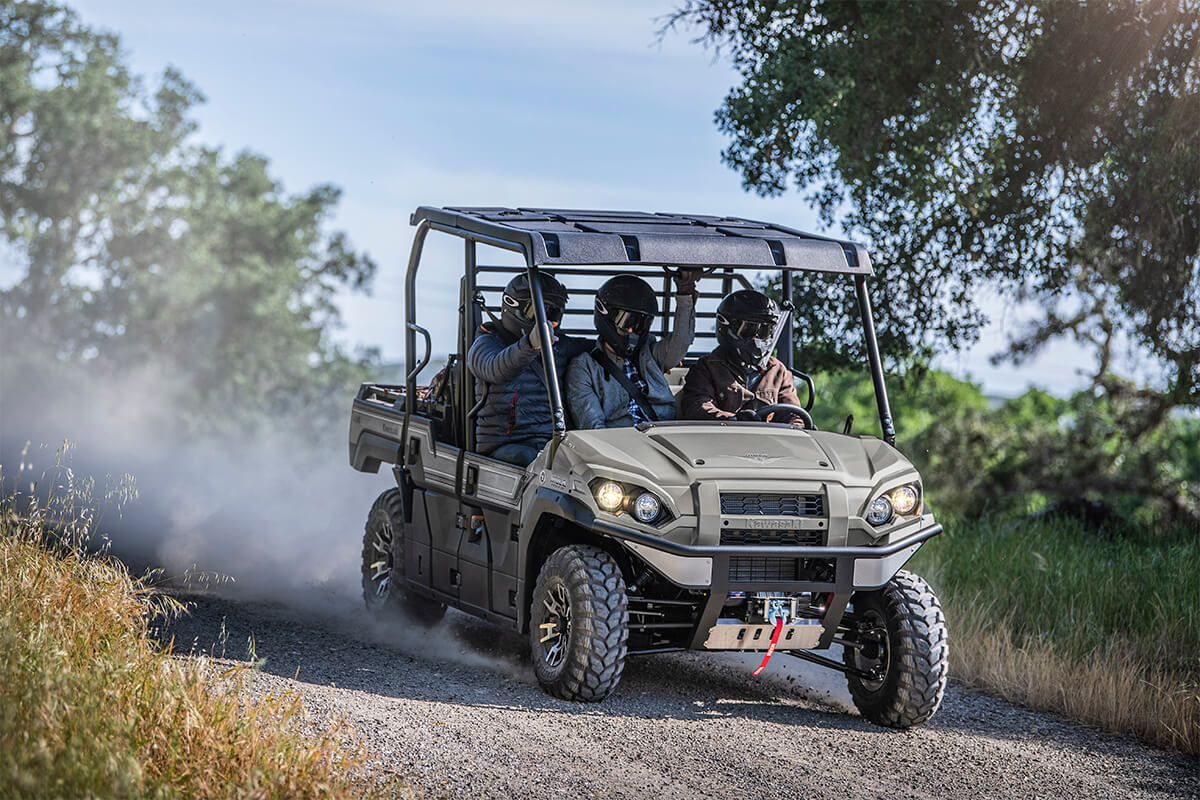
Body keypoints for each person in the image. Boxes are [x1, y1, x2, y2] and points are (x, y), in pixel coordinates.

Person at [468, 271, 589, 466]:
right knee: (536, 462)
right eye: (537, 312)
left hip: (553, 441)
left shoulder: (560, 345)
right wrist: (530, 345)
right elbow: (496, 368)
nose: (547, 322)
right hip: (506, 444)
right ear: (514, 306)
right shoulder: (487, 342)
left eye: (553, 314)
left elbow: (599, 351)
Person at [567, 270, 699, 429]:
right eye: (626, 321)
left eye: (639, 324)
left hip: (663, 432)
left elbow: (681, 341)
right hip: (620, 439)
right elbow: (592, 426)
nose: (632, 330)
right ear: (607, 316)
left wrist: (685, 293)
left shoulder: (650, 354)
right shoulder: (584, 367)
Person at [679, 289, 805, 425]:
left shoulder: (778, 371)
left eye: (764, 331)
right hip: (722, 437)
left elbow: (794, 415)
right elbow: (698, 407)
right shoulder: (707, 367)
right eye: (749, 329)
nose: (756, 339)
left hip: (768, 438)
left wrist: (794, 427)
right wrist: (734, 421)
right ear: (726, 327)